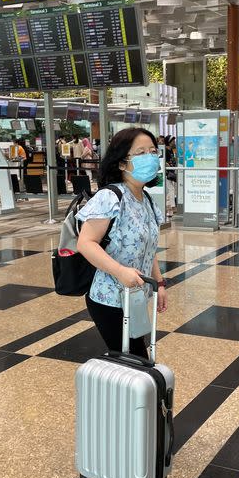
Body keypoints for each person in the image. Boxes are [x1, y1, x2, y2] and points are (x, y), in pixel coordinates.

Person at [76, 127, 167, 358]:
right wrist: (119, 272)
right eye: (141, 152)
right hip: (109, 298)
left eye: (152, 151)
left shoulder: (145, 199)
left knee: (134, 359)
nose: (150, 156)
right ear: (122, 163)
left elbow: (149, 246)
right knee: (134, 362)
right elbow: (86, 243)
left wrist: (160, 283)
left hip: (135, 296)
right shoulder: (110, 197)